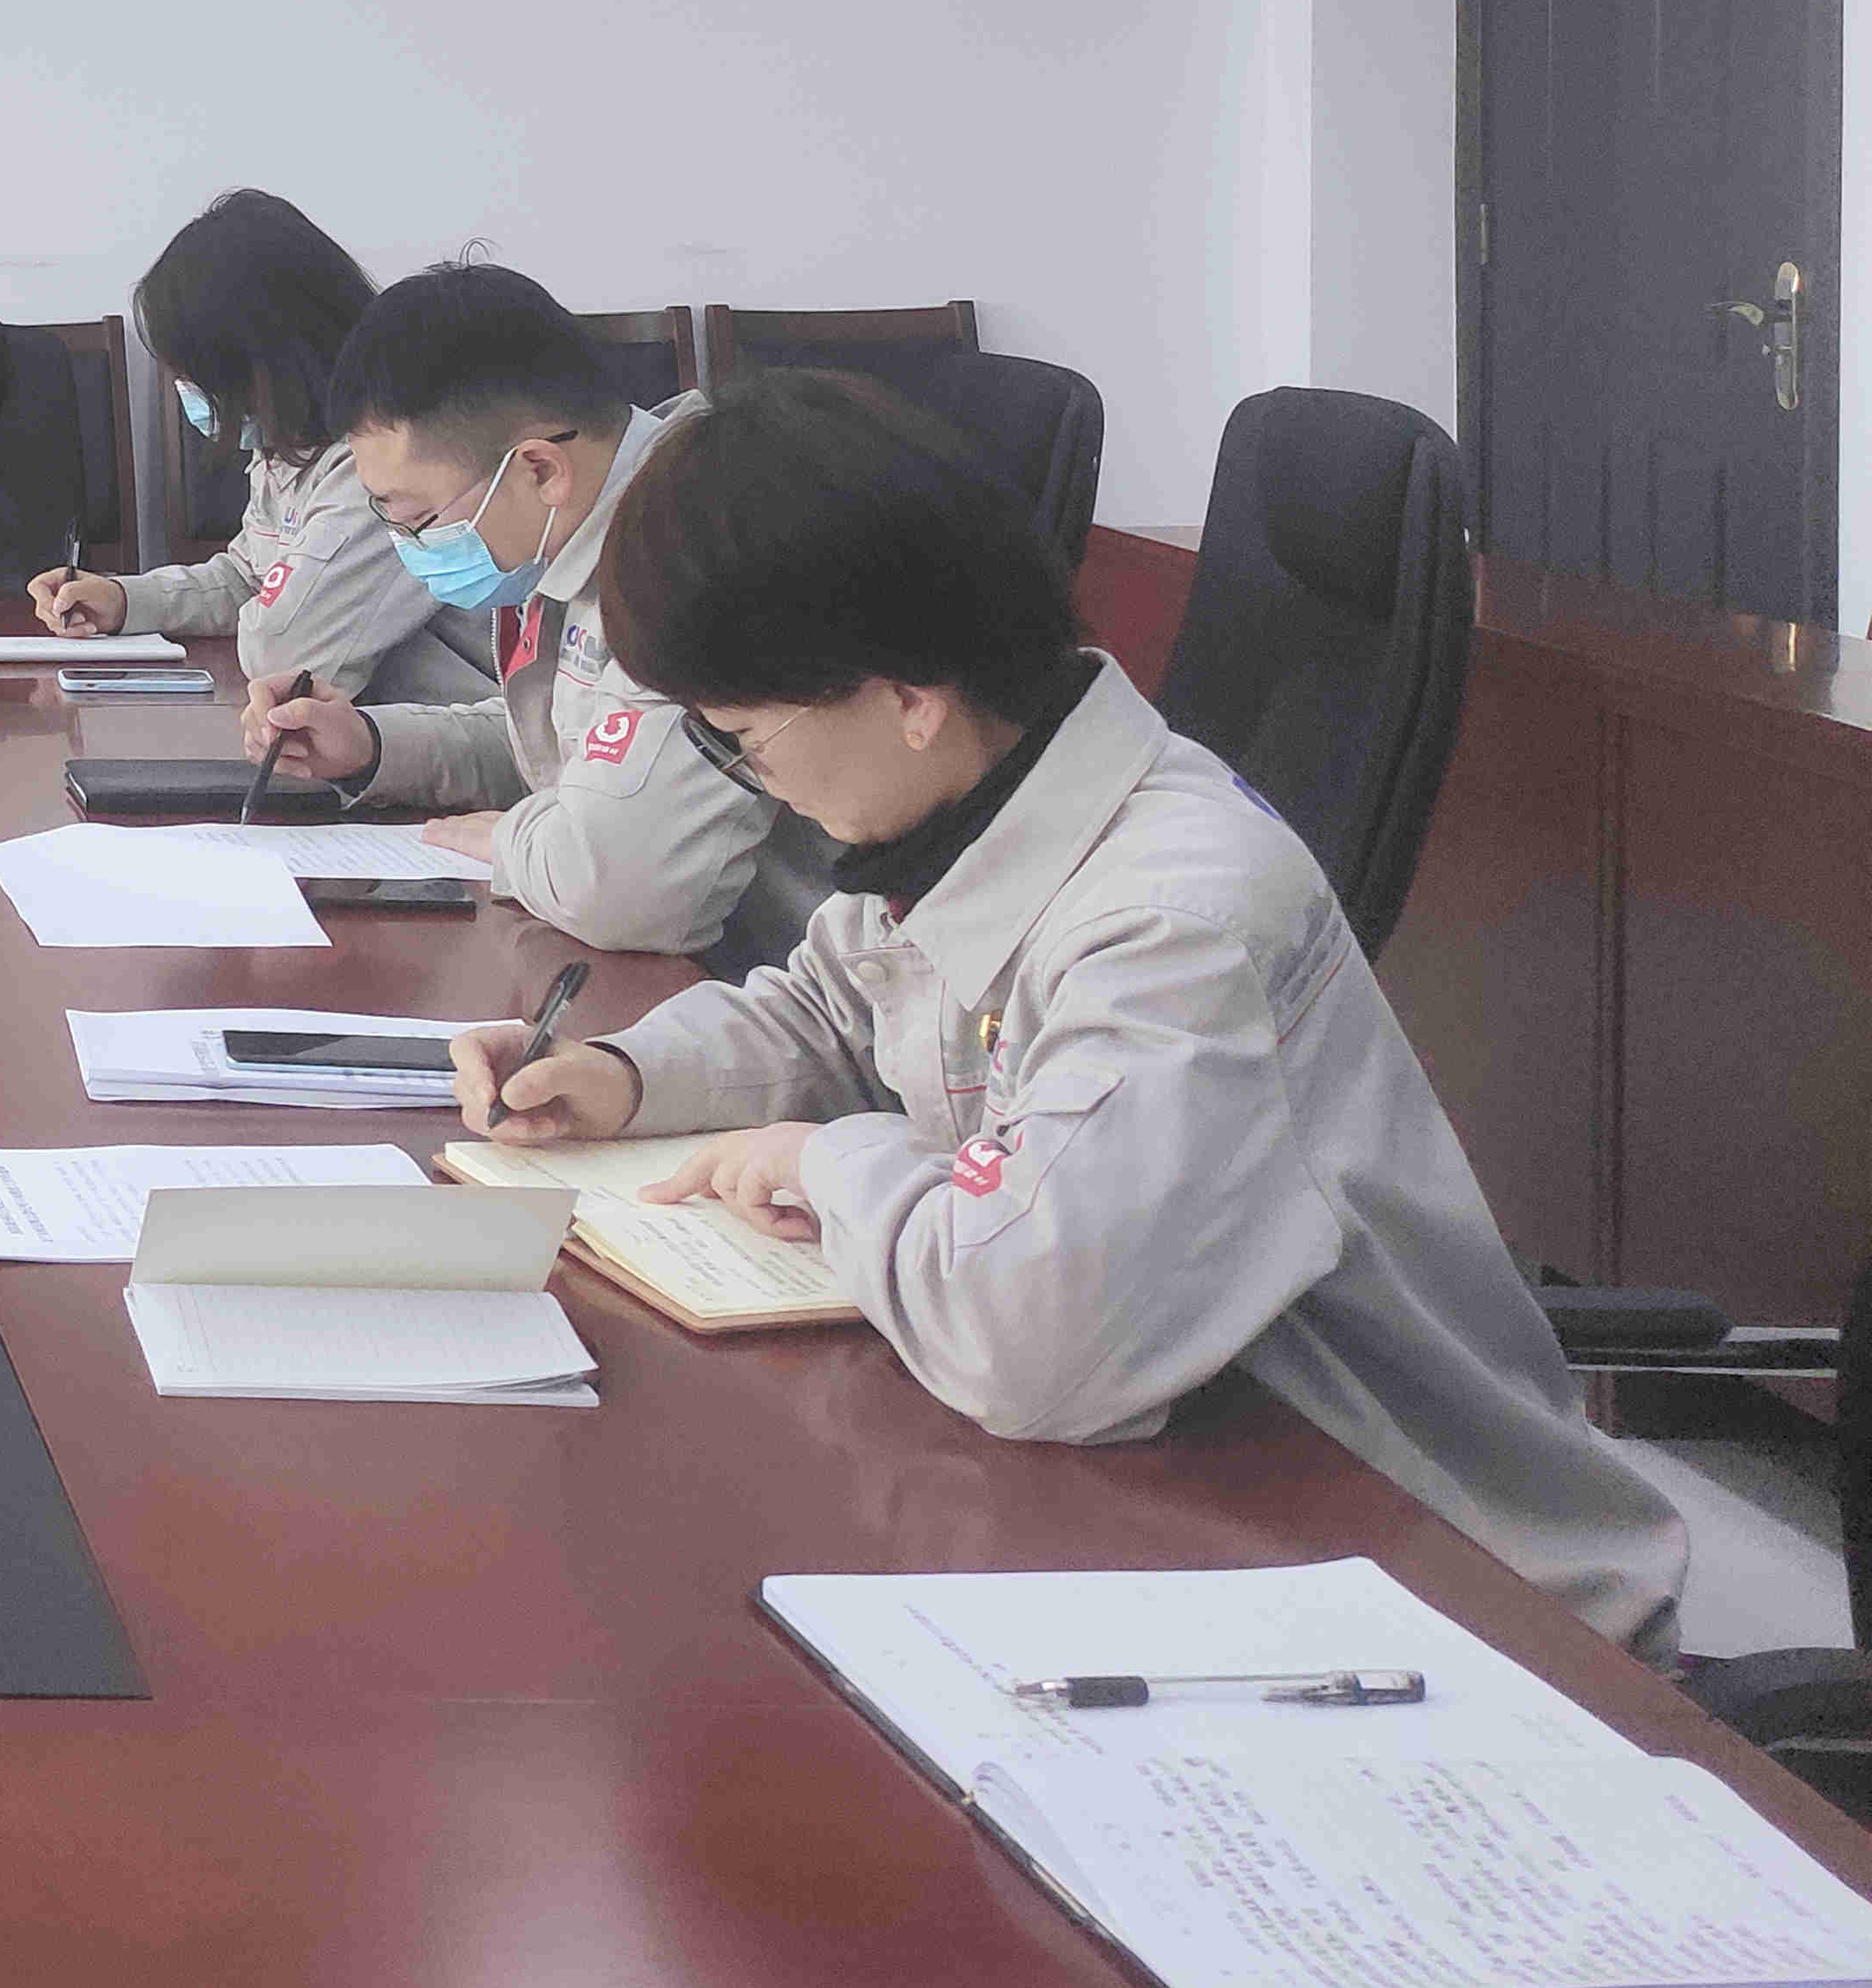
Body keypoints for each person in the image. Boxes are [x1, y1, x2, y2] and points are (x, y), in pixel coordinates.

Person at [444, 371, 1685, 1648]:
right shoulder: (973, 805)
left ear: (908, 693)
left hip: (1460, 1598)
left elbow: (1028, 1336)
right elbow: (825, 1010)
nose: (748, 776)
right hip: (1203, 1511)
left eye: (742, 738)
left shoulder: (1173, 924)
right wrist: (622, 1074)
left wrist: (829, 1160)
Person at [238, 262, 824, 966]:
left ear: (539, 469)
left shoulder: (695, 548)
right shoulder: (586, 526)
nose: (407, 546)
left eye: (419, 519)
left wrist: (505, 838)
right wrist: (370, 744)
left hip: (789, 986)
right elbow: (566, 752)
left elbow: (619, 890)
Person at [23, 188, 496, 705]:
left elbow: (284, 651)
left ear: (265, 362)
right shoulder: (288, 446)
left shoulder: (387, 460)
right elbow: (249, 576)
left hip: (462, 737)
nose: (189, 393)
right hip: (365, 732)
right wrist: (124, 599)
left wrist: (269, 604)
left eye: (198, 375)